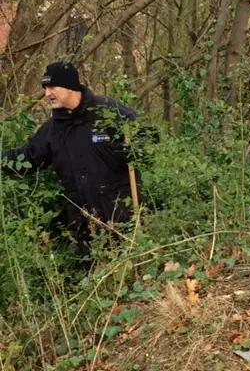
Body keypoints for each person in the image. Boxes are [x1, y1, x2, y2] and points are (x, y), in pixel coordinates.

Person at [1, 61, 149, 263]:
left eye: (52, 87)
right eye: (45, 88)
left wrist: (131, 150)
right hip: (83, 223)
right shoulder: (52, 130)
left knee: (130, 274)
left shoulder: (108, 111)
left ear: (70, 86)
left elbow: (146, 135)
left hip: (121, 216)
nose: (47, 94)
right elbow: (27, 157)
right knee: (93, 281)